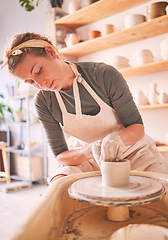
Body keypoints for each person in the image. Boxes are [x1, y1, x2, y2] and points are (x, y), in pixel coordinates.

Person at [2, 32, 168, 184]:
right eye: (30, 82)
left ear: (51, 52)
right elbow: (61, 155)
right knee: (59, 184)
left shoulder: (104, 75)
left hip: (134, 152)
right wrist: (88, 150)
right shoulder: (43, 102)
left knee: (158, 189)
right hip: (88, 159)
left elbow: (137, 128)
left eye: (38, 71)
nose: (40, 84)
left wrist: (115, 139)